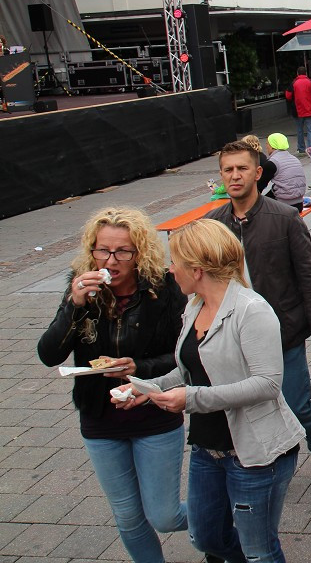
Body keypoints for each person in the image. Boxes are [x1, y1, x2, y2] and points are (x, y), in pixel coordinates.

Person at [120, 219, 303, 563]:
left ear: (198, 269)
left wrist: (191, 399)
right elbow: (191, 368)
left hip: (255, 454)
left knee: (259, 550)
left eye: (175, 262)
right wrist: (149, 388)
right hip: (208, 449)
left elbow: (267, 383)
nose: (170, 270)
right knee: (206, 535)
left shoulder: (252, 310)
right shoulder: (194, 306)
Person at [38, 208, 187, 563]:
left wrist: (141, 367)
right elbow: (49, 355)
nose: (111, 260)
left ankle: (224, 518)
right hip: (99, 416)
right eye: (102, 250)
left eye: (123, 251)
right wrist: (74, 305)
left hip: (152, 412)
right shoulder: (80, 290)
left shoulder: (163, 291)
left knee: (164, 516)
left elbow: (187, 355)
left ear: (140, 254)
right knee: (128, 516)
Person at [206, 142, 311, 489]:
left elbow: (309, 279)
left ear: (257, 173)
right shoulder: (214, 225)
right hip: (234, 336)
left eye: (242, 168)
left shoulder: (283, 218)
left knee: (297, 404)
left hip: (283, 333)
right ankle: (259, 463)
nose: (235, 176)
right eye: (228, 170)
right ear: (221, 176)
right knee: (244, 406)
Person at [265, 133, 306, 212]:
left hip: (283, 205)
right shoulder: (294, 158)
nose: (266, 146)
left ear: (272, 146)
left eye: (267, 143)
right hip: (299, 203)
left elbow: (260, 185)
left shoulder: (273, 162)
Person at [285, 66, 311, 155]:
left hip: (297, 111)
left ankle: (301, 148)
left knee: (299, 130)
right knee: (310, 130)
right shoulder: (310, 82)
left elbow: (288, 95)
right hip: (309, 109)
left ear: (297, 73)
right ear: (306, 73)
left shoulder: (294, 83)